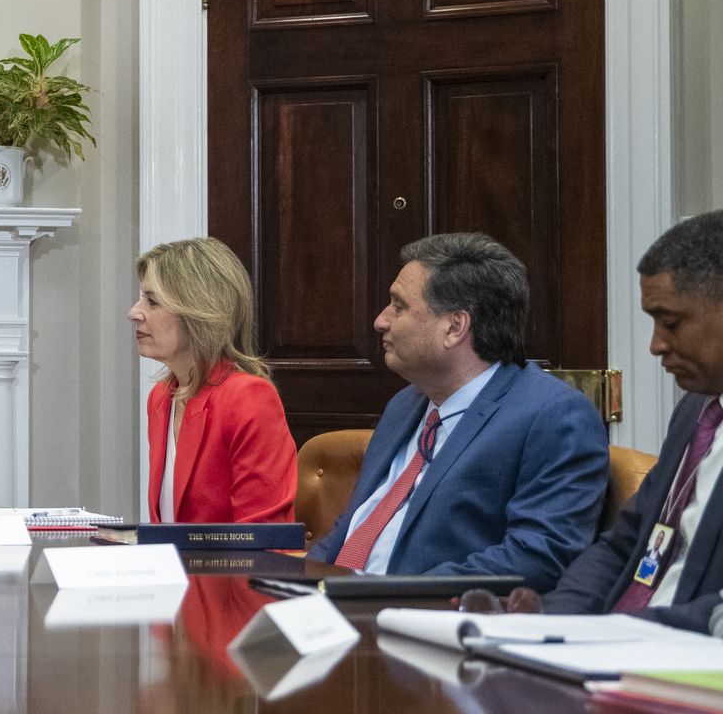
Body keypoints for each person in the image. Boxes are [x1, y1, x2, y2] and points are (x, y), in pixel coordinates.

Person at [307, 233, 607, 590]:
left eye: (398, 306)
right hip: (339, 612)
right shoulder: (405, 405)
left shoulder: (553, 415)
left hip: (423, 622)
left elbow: (537, 556)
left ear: (454, 327)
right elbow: (352, 528)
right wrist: (296, 585)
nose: (380, 321)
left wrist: (386, 594)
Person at [470, 210, 723, 631]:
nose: (656, 345)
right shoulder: (696, 412)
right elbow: (625, 545)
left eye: (671, 322)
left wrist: (625, 634)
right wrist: (550, 622)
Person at [132, 238, 296, 523]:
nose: (134, 312)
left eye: (152, 301)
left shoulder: (248, 397)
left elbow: (263, 540)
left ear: (199, 312)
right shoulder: (161, 397)